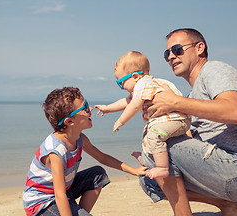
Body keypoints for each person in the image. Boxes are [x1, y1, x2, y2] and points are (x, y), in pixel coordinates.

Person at [138, 28, 237, 215]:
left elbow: (234, 112)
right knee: (150, 180)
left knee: (161, 143)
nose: (171, 57)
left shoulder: (215, 70)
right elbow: (190, 140)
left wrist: (176, 102)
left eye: (177, 49)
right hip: (223, 171)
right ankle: (228, 204)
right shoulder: (192, 97)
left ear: (199, 48)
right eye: (166, 53)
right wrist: (148, 154)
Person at [23, 87, 147, 216]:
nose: (91, 109)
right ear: (69, 121)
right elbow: (59, 195)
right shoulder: (56, 152)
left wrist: (134, 171)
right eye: (85, 107)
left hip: (65, 190)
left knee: (97, 174)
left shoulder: (80, 138)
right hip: (42, 202)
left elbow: (103, 158)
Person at [95, 51, 191, 179]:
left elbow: (133, 106)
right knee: (148, 134)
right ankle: (147, 160)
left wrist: (120, 121)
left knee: (154, 135)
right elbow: (126, 101)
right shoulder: (142, 87)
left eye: (121, 83)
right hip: (167, 121)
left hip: (176, 120)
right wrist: (107, 108)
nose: (122, 87)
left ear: (135, 76)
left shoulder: (144, 84)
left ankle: (162, 168)